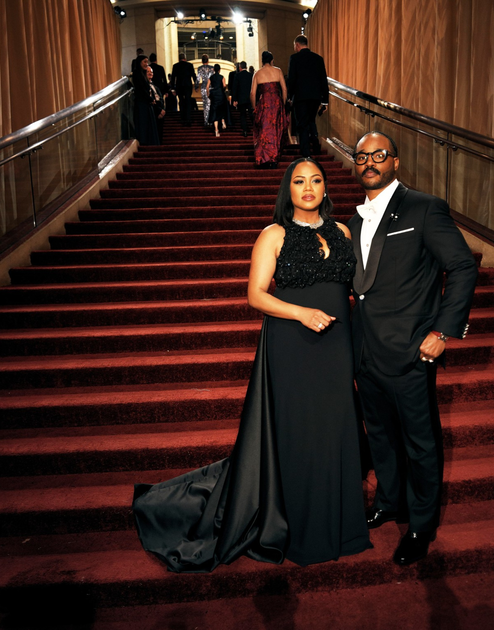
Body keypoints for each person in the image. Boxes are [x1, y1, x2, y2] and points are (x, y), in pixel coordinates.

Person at [132, 158, 372, 572]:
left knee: (336, 426)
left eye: (316, 180)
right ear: (288, 190)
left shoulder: (344, 232)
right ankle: (302, 528)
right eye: (299, 181)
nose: (308, 187)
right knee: (299, 431)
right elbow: (256, 295)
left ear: (325, 188)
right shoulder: (273, 234)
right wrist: (301, 313)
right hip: (292, 344)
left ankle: (343, 525)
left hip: (336, 346)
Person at [348, 131, 478, 566]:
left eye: (379, 155)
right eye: (362, 156)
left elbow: (461, 266)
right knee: (381, 436)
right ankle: (389, 502)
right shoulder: (353, 221)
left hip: (410, 351)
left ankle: (421, 524)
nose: (369, 162)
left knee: (420, 444)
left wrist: (442, 331)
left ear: (396, 162)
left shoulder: (424, 208)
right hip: (365, 352)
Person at [287, 35, 329, 158]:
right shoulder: (318, 59)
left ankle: (306, 153)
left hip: (300, 97)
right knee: (311, 120)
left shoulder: (294, 58)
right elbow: (323, 80)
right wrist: (325, 101)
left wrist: (289, 96)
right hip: (315, 97)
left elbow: (292, 79)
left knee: (302, 124)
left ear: (297, 45)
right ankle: (316, 147)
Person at [251, 51, 287, 168]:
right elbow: (284, 89)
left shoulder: (257, 74)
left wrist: (254, 107)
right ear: (272, 60)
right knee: (276, 130)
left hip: (264, 103)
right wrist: (283, 103)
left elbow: (252, 93)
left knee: (264, 130)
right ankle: (274, 157)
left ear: (262, 61)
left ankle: (263, 158)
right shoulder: (278, 71)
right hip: (276, 103)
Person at [131, 54, 159, 146]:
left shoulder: (142, 73)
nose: (146, 64)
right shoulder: (137, 73)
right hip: (142, 103)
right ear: (139, 62)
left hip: (146, 102)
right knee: (143, 123)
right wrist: (150, 99)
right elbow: (141, 89)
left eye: (147, 62)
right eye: (144, 62)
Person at [171, 53, 196, 126]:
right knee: (188, 101)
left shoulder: (175, 66)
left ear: (179, 59)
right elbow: (193, 75)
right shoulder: (189, 65)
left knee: (181, 101)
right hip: (188, 86)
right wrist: (196, 84)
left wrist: (173, 88)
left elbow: (173, 78)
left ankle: (182, 118)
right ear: (185, 58)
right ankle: (188, 119)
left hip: (179, 86)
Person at [232, 61, 254, 138]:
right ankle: (255, 129)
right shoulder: (251, 75)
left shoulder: (237, 76)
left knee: (243, 115)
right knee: (251, 114)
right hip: (249, 98)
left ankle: (245, 131)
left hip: (241, 98)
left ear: (240, 67)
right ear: (246, 67)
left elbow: (235, 88)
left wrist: (235, 99)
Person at [207, 64, 229, 137]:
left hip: (214, 95)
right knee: (222, 109)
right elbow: (224, 85)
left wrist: (208, 94)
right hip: (220, 94)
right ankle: (223, 121)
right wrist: (222, 90)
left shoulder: (211, 77)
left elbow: (207, 87)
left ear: (214, 70)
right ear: (219, 70)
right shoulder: (222, 77)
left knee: (214, 112)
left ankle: (216, 130)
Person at [146, 66, 166, 143]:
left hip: (160, 111)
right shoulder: (146, 86)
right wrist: (159, 111)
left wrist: (163, 109)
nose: (150, 73)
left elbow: (160, 98)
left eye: (151, 72)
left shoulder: (155, 86)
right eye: (148, 72)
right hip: (154, 112)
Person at [196, 54, 214, 127]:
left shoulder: (200, 68)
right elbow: (213, 78)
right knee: (210, 104)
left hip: (203, 87)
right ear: (208, 60)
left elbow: (198, 78)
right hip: (210, 87)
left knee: (205, 104)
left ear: (202, 61)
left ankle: (206, 121)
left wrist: (196, 86)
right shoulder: (212, 68)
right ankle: (211, 120)